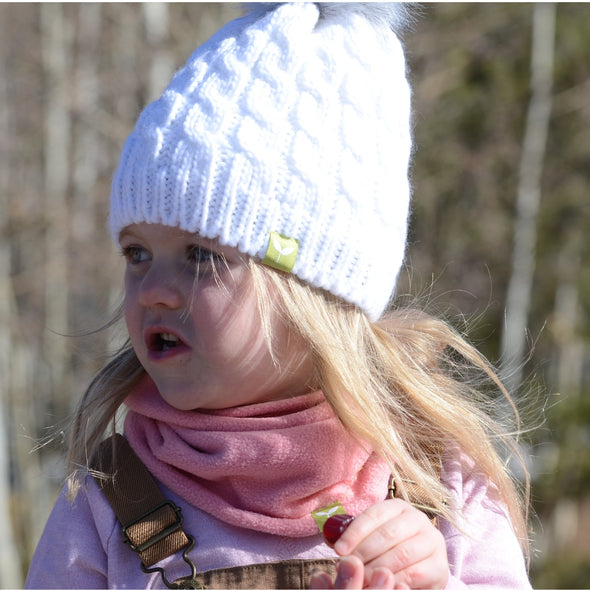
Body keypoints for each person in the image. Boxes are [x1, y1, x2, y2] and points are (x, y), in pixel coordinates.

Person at [26, 3, 532, 589]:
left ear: (314, 292)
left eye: (202, 255)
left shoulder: (439, 490)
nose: (154, 292)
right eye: (137, 253)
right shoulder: (106, 504)